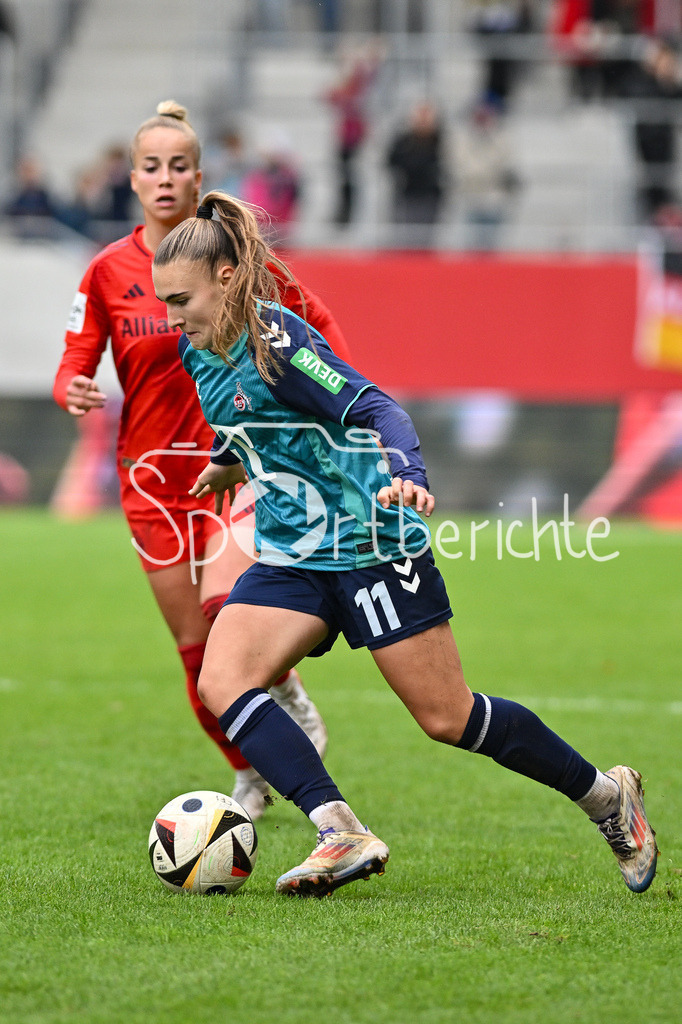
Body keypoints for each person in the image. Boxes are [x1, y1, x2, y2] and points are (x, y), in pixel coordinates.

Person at [151, 188, 659, 898]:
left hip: (371, 541)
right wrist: (226, 460)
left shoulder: (281, 344)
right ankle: (339, 830)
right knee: (222, 679)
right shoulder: (197, 350)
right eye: (165, 302)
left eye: (182, 300)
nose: (172, 318)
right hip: (295, 551)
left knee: (448, 717)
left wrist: (409, 475)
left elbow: (374, 406)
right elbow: (251, 419)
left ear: (227, 279)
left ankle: (607, 797)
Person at [53, 101, 353, 821]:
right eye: (151, 167)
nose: (165, 178)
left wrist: (341, 399)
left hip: (239, 470)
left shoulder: (233, 263)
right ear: (132, 179)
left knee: (227, 616)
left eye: (178, 166)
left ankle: (280, 687)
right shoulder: (106, 271)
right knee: (195, 649)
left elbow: (318, 323)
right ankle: (250, 769)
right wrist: (74, 389)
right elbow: (73, 362)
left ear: (198, 176)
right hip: (153, 482)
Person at [386, 101, 448, 248]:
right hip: (407, 194)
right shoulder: (404, 141)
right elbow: (392, 161)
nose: (423, 120)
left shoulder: (439, 141)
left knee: (426, 239)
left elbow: (441, 165)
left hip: (430, 196)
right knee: (404, 238)